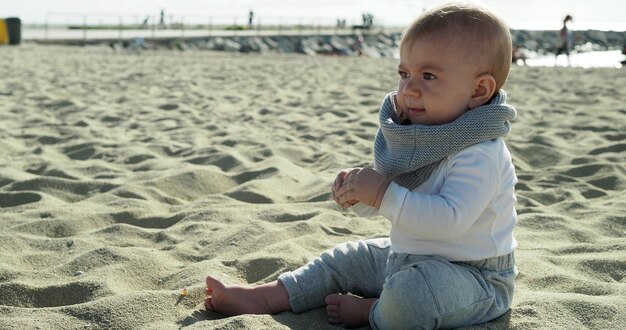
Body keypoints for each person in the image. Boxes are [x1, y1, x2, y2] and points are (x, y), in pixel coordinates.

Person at [205, 2, 518, 329]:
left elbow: (448, 220)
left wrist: (382, 194)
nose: (409, 88)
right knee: (342, 260)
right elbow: (393, 199)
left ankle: (373, 312)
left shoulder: (481, 153)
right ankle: (267, 297)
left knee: (412, 297)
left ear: (478, 90)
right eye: (404, 73)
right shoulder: (422, 138)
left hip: (474, 276)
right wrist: (361, 196)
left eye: (428, 76)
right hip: (406, 256)